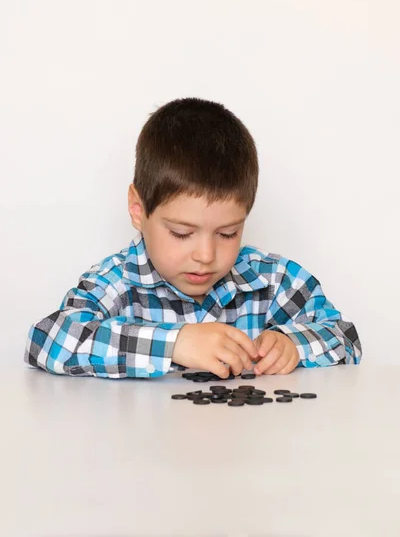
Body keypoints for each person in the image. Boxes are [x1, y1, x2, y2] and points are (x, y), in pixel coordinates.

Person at [24, 97, 362, 379]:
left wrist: (292, 343)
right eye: (181, 233)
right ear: (139, 210)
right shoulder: (117, 284)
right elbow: (49, 341)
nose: (205, 254)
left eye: (227, 233)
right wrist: (175, 343)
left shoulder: (272, 281)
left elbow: (345, 337)